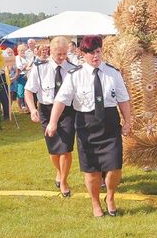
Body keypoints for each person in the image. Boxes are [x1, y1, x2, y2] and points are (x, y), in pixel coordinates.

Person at [47, 35, 132, 218]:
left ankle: (110, 197)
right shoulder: (74, 75)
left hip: (109, 124)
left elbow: (123, 99)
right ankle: (95, 203)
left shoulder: (113, 73)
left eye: (98, 51)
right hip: (87, 125)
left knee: (114, 168)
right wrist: (53, 122)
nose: (96, 56)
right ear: (82, 54)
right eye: (91, 53)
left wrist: (128, 121)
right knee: (92, 170)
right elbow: (61, 100)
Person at [25, 37, 76, 197]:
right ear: (51, 51)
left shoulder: (73, 69)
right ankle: (59, 172)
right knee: (54, 150)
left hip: (67, 111)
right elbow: (29, 91)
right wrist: (33, 109)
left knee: (66, 148)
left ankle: (64, 181)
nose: (62, 57)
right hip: (46, 110)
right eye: (59, 54)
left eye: (64, 54)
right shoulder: (39, 68)